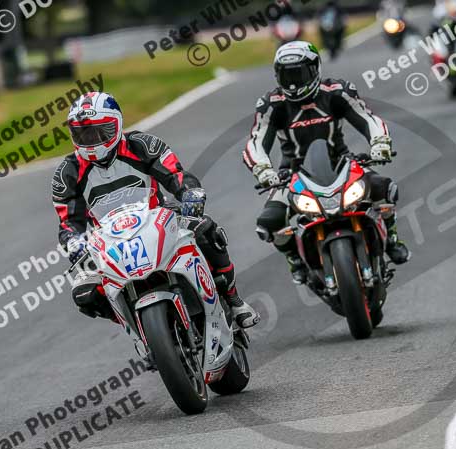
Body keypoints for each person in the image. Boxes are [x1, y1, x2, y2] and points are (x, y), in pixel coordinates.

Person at [53, 91, 259, 328]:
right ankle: (138, 326)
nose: (91, 140)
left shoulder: (141, 145)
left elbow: (176, 175)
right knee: (84, 292)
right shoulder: (67, 172)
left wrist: (190, 193)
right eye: (82, 133)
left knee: (206, 231)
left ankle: (234, 299)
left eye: (100, 131)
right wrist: (73, 241)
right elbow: (68, 220)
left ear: (116, 124)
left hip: (159, 215)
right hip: (107, 238)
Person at [242, 41, 410, 285]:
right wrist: (263, 170)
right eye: (287, 74)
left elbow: (368, 118)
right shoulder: (271, 104)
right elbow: (256, 141)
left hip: (343, 164)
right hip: (292, 174)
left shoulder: (337, 91)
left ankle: (392, 239)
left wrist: (379, 144)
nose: (293, 82)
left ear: (315, 69)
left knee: (386, 188)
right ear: (277, 75)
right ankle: (294, 259)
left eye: (299, 73)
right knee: (268, 223)